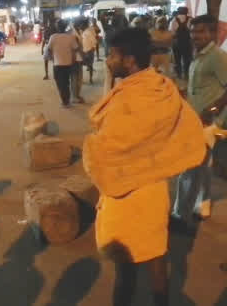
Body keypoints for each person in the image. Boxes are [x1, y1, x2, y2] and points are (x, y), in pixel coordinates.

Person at [83, 27, 205, 306]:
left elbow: (107, 146)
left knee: (124, 260)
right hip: (154, 189)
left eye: (112, 55)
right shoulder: (162, 87)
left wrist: (92, 148)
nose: (108, 60)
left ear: (129, 61)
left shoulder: (129, 98)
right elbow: (188, 128)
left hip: (125, 191)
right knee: (155, 253)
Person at [173, 14, 227, 225]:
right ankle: (202, 206)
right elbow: (200, 88)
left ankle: (180, 213)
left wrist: (212, 109)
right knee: (202, 166)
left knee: (188, 167)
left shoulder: (217, 57)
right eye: (194, 31)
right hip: (195, 120)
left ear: (212, 33)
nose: (196, 36)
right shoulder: (199, 56)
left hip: (208, 122)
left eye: (202, 31)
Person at [46, 19, 83, 106]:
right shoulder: (70, 37)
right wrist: (73, 58)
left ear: (57, 27)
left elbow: (48, 50)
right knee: (66, 83)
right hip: (68, 64)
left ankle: (65, 101)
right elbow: (76, 49)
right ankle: (66, 100)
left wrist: (52, 58)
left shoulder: (53, 37)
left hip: (57, 64)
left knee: (60, 83)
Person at [171, 7, 194, 81]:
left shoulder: (174, 20)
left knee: (177, 60)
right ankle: (187, 75)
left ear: (178, 12)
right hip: (187, 43)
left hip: (177, 44)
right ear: (186, 12)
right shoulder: (190, 20)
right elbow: (193, 32)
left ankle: (179, 75)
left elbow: (172, 33)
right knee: (187, 60)